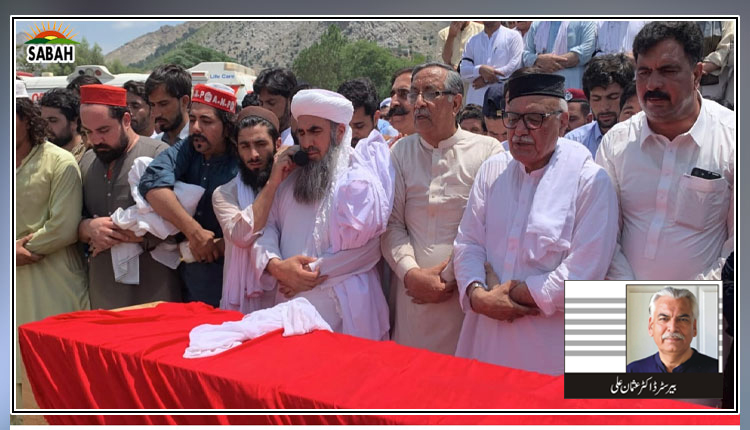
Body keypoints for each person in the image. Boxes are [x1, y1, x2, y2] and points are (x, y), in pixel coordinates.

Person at [453, 72, 618, 374]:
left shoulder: (590, 180)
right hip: (488, 332)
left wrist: (512, 294)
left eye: (534, 119)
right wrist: (477, 295)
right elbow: (468, 242)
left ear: (563, 122)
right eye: (512, 118)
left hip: (553, 345)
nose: (519, 131)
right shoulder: (493, 170)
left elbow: (584, 272)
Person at [596, 21, 734, 281]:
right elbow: (602, 234)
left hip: (706, 300)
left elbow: (737, 249)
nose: (652, 84)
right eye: (644, 72)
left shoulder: (732, 139)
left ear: (697, 75)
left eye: (667, 71)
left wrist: (691, 298)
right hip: (622, 296)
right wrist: (631, 293)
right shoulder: (616, 142)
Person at [381, 62, 503, 355]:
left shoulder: (488, 152)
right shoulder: (400, 151)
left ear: (456, 103)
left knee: (463, 375)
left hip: (464, 291)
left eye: (430, 93)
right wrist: (411, 273)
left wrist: (449, 275)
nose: (419, 103)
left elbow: (491, 228)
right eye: (414, 94)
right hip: (412, 294)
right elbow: (392, 223)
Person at [255, 89, 394, 341]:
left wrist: (305, 275)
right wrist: (277, 267)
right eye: (301, 133)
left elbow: (370, 249)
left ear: (339, 132)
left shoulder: (359, 180)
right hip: (289, 303)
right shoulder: (289, 178)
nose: (306, 142)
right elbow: (268, 226)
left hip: (345, 311)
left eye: (315, 131)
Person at [15, 81, 88, 407]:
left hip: (52, 281)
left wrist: (18, 251)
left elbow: (63, 227)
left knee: (55, 374)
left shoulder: (59, 162)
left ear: (25, 117)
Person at [77, 84, 182, 309]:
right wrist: (87, 228)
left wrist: (137, 235)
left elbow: (179, 221)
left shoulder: (158, 154)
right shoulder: (87, 160)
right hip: (103, 286)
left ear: (126, 120)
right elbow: (75, 217)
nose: (96, 140)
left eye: (104, 130)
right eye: (88, 132)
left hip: (154, 285)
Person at [139, 83, 239, 306]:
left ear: (227, 127)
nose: (196, 128)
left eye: (206, 121)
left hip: (231, 277)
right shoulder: (188, 148)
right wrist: (194, 232)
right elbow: (151, 183)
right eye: (192, 119)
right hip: (187, 278)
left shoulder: (241, 158)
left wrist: (220, 245)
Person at [212, 107, 295, 314]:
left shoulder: (293, 187)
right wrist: (272, 183)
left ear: (277, 144)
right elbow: (241, 235)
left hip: (287, 293)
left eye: (261, 144)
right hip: (241, 302)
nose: (253, 155)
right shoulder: (224, 194)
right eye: (245, 146)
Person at [627, 287, 718, 373]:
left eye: (683, 319)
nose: (673, 328)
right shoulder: (632, 371)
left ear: (694, 327)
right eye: (663, 319)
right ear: (651, 327)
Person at [565, 54, 634, 156]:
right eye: (596, 99)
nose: (604, 107)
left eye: (612, 97)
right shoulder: (573, 142)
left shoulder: (644, 138)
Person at [459, 21, 524, 106]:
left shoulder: (513, 37)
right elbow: (463, 71)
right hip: (475, 102)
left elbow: (514, 67)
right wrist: (480, 69)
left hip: (501, 102)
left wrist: (486, 79)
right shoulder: (472, 41)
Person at [522, 21, 597, 89]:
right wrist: (537, 60)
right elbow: (526, 54)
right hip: (541, 87)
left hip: (571, 87)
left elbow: (586, 51)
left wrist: (549, 63)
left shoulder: (585, 22)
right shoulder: (536, 24)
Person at [145, 64, 191, 146]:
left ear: (184, 101)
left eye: (163, 104)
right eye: (152, 105)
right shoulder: (156, 144)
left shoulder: (201, 144)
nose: (156, 113)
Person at [253, 67, 298, 147]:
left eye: (271, 103)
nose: (264, 109)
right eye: (261, 103)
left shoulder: (299, 143)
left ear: (290, 101)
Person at [39, 88, 86, 162]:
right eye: (43, 121)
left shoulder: (88, 158)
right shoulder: (44, 156)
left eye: (53, 120)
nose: (46, 126)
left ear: (75, 122)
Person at [337, 77, 381, 146]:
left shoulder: (388, 151)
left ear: (375, 119)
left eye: (359, 126)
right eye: (345, 128)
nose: (352, 135)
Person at [386, 67, 416, 142]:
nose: (393, 102)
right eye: (392, 95)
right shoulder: (389, 146)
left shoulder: (440, 146)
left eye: (404, 94)